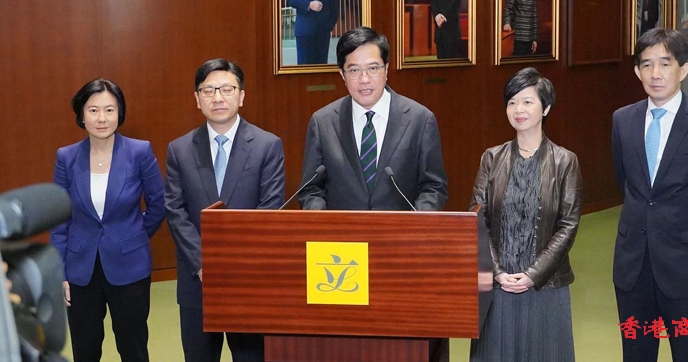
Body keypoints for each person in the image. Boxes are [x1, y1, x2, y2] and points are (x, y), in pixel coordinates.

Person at [612, 28, 688, 362]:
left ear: (683, 69)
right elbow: (626, 183)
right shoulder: (622, 120)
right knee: (636, 354)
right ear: (637, 71)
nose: (655, 73)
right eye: (646, 64)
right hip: (633, 266)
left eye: (665, 63)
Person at [164, 59, 285, 362]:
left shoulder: (267, 146)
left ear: (241, 95)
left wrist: (232, 264)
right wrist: (203, 263)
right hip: (197, 280)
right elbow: (176, 211)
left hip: (249, 280)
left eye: (226, 89)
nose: (217, 97)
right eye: (208, 91)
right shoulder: (179, 149)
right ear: (197, 98)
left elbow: (269, 209)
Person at [469, 67, 581, 361]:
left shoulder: (565, 161)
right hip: (498, 285)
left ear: (545, 108)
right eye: (512, 102)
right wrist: (497, 272)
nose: (518, 109)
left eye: (527, 101)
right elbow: (478, 220)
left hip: (545, 285)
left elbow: (568, 225)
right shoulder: (491, 158)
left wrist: (533, 275)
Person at [51, 79, 165, 362]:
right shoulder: (66, 157)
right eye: (93, 110)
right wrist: (60, 271)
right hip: (80, 270)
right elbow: (59, 218)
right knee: (85, 349)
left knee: (133, 348)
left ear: (119, 113)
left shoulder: (139, 151)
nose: (101, 118)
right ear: (81, 114)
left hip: (130, 266)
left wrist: (134, 235)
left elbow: (158, 203)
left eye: (109, 110)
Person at [298, 26, 448, 210]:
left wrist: (415, 223)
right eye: (354, 70)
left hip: (400, 227)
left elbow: (434, 187)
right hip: (343, 229)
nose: (364, 79)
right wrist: (326, 221)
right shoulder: (323, 122)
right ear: (342, 75)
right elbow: (310, 190)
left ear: (386, 69)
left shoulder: (420, 119)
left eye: (373, 68)